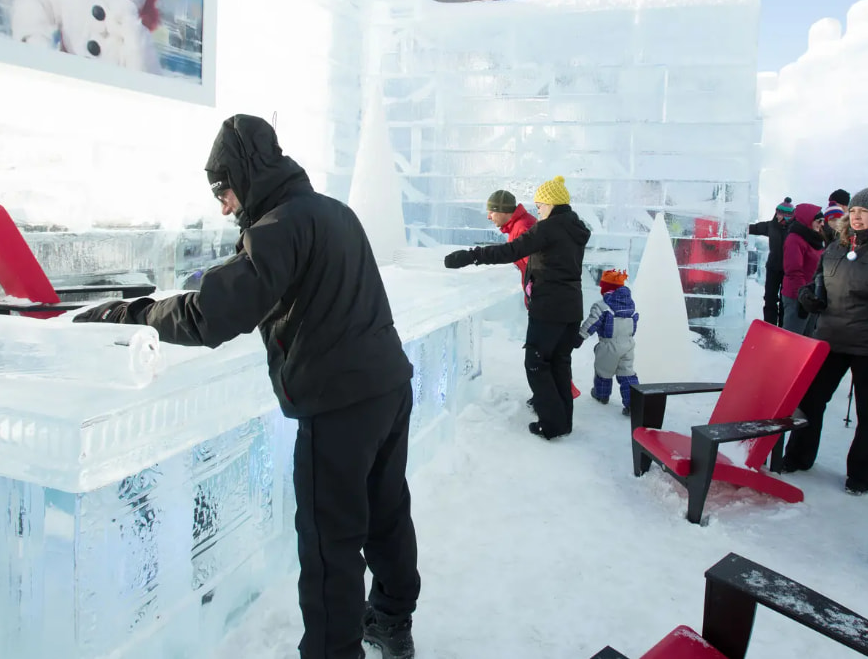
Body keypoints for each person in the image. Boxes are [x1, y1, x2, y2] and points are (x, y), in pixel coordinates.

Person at [74, 114, 421, 659]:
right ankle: (394, 620)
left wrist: (128, 314)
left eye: (224, 191)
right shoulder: (333, 212)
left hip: (338, 405)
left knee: (329, 543)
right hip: (389, 387)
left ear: (245, 176)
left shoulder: (279, 226)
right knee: (386, 512)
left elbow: (212, 315)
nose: (223, 206)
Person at [785, 187, 868, 494]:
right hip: (830, 340)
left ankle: (863, 477)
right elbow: (816, 282)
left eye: (865, 212)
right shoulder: (836, 247)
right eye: (855, 210)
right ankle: (798, 457)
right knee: (810, 402)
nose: (857, 216)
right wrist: (808, 296)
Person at [444, 175, 591, 440]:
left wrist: (471, 255)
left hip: (549, 306)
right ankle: (562, 422)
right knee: (559, 362)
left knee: (536, 362)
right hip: (571, 306)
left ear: (552, 204)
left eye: (540, 205)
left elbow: (511, 251)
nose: (538, 210)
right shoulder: (574, 228)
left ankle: (551, 424)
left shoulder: (548, 229)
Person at [579, 269, 640, 415]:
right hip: (628, 344)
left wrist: (581, 336)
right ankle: (634, 404)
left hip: (609, 344)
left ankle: (601, 395)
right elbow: (634, 323)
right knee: (627, 373)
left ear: (606, 288)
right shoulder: (630, 304)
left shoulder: (602, 306)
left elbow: (592, 322)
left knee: (603, 372)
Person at [484, 189, 537, 301]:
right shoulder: (518, 226)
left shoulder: (522, 228)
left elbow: (537, 268)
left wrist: (534, 297)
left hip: (541, 299)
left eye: (491, 212)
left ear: (504, 211)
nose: (488, 217)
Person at [781, 203, 825, 336]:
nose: (822, 224)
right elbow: (793, 270)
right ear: (808, 220)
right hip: (797, 296)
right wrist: (802, 296)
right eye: (819, 221)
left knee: (807, 338)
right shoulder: (795, 239)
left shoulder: (814, 238)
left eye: (823, 221)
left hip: (811, 296)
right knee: (792, 338)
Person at [749, 197, 794, 325]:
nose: (777, 216)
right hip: (773, 268)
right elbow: (755, 228)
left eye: (780, 214)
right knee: (770, 298)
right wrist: (739, 227)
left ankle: (783, 327)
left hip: (788, 270)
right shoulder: (771, 225)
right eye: (777, 213)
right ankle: (769, 326)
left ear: (787, 216)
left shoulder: (795, 229)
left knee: (785, 301)